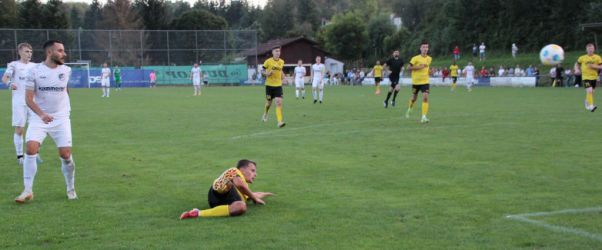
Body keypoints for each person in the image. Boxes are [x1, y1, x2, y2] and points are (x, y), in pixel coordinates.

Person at [15, 40, 77, 203]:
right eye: (60, 51)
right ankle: (27, 190)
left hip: (61, 118)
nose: (64, 54)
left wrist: (65, 111)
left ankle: (70, 188)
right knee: (30, 148)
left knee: (65, 154)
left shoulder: (66, 70)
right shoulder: (34, 71)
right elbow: (28, 99)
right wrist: (42, 114)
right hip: (38, 117)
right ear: (50, 52)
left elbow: (65, 89)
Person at [179, 159, 273, 219]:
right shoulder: (235, 171)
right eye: (252, 171)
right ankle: (221, 184)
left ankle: (197, 213)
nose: (255, 174)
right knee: (229, 183)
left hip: (222, 203)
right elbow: (240, 185)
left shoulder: (245, 189)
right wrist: (254, 198)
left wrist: (265, 194)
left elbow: (253, 194)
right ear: (242, 169)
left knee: (241, 206)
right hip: (218, 191)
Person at [2, 43, 42, 166]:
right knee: (20, 129)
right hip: (19, 102)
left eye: (30, 52)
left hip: (33, 102)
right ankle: (20, 156)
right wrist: (9, 84)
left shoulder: (35, 66)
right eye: (26, 51)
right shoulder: (13, 65)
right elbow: (5, 78)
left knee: (36, 128)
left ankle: (34, 153)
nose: (29, 54)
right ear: (19, 52)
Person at [405, 41, 432, 123]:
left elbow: (427, 70)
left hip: (425, 82)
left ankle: (423, 117)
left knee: (425, 97)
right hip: (416, 82)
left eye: (426, 47)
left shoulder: (429, 58)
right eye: (423, 47)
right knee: (414, 98)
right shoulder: (415, 58)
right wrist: (419, 67)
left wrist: (430, 72)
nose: (425, 49)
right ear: (420, 48)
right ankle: (410, 108)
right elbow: (408, 68)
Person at [261, 47, 286, 128]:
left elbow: (280, 70)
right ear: (272, 52)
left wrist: (283, 77)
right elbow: (262, 71)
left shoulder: (282, 61)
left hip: (278, 86)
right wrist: (266, 74)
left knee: (278, 102)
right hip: (269, 86)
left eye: (279, 51)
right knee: (269, 103)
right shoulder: (268, 61)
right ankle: (265, 113)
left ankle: (279, 122)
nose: (278, 52)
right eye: (276, 51)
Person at [576, 43, 602, 112]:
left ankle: (586, 102)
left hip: (594, 77)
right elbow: (577, 64)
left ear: (594, 49)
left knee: (591, 92)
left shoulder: (598, 57)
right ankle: (591, 106)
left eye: (591, 48)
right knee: (589, 90)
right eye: (589, 49)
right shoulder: (582, 58)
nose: (590, 50)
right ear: (586, 50)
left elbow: (601, 66)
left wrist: (594, 66)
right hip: (585, 77)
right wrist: (577, 69)